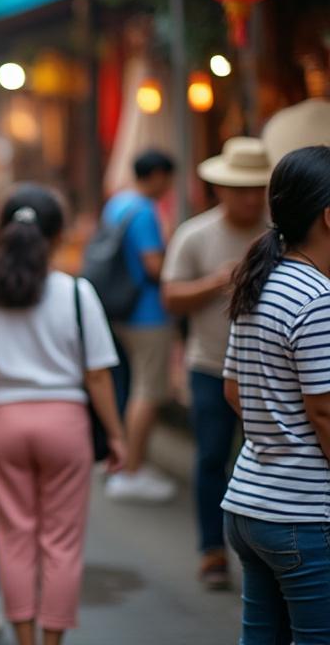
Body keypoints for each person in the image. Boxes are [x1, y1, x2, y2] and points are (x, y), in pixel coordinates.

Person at [0, 184, 126, 645]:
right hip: (65, 423)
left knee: (15, 539)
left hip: (3, 423)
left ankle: (23, 638)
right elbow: (98, 375)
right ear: (58, 236)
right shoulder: (77, 293)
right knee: (62, 542)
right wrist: (116, 435)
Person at [222, 145, 330, 644]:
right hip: (304, 514)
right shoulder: (318, 299)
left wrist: (276, 437)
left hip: (250, 504)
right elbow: (324, 412)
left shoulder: (260, 281)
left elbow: (233, 390)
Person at [161, 137, 271, 591]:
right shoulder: (195, 234)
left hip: (270, 370)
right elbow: (171, 297)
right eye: (241, 189)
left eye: (257, 188)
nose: (250, 198)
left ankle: (265, 553)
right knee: (211, 457)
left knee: (269, 459)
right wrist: (216, 281)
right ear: (221, 188)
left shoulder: (281, 234)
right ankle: (212, 550)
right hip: (209, 365)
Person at [101, 149, 178, 503]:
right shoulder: (145, 210)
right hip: (146, 314)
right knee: (148, 391)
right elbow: (153, 265)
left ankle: (123, 461)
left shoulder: (117, 203)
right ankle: (131, 471)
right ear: (158, 175)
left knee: (132, 387)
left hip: (119, 310)